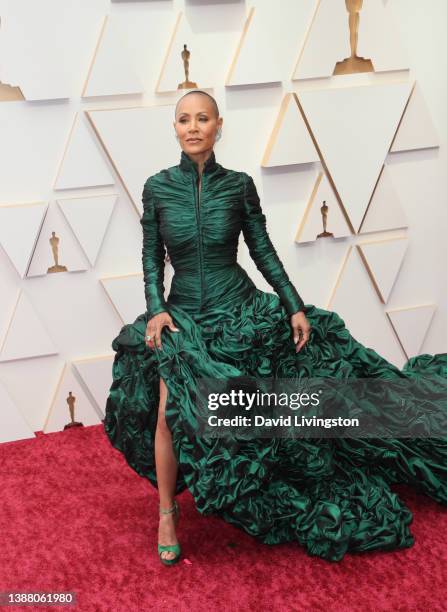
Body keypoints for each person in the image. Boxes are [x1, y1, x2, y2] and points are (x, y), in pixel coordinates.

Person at [104, 89, 447, 566]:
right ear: (175, 128)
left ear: (218, 125)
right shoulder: (157, 187)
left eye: (203, 118)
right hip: (182, 316)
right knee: (169, 413)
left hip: (239, 309)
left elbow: (262, 249)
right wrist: (157, 307)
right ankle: (167, 513)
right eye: (184, 119)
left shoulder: (240, 185)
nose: (194, 127)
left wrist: (293, 306)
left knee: (262, 407)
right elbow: (150, 255)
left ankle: (266, 480)